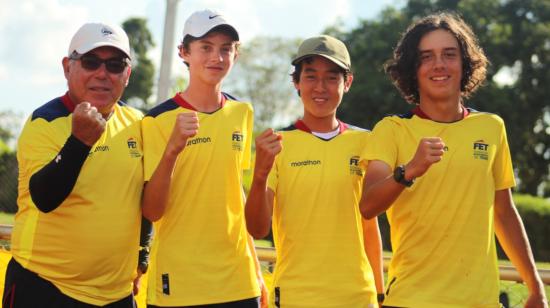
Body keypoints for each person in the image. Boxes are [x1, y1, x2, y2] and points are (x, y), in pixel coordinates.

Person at [360, 12, 548, 308]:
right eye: (426, 57)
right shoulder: (391, 130)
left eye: (449, 54)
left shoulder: (491, 127)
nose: (439, 65)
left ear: (464, 64)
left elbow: (504, 212)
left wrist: (535, 286)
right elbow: (368, 205)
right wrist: (408, 171)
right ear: (413, 68)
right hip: (411, 300)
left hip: (481, 301)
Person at [3, 22, 147, 307]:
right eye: (91, 62)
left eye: (115, 65)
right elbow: (44, 197)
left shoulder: (138, 123)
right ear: (68, 67)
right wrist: (79, 143)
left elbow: (144, 197)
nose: (103, 74)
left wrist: (143, 255)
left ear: (127, 74)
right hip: (45, 287)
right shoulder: (44, 122)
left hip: (115, 296)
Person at [245, 35, 384, 308]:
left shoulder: (367, 142)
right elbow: (257, 228)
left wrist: (379, 294)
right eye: (310, 76)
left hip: (358, 297)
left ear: (348, 82)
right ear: (296, 82)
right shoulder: (277, 145)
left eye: (332, 77)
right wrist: (260, 175)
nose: (320, 87)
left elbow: (370, 226)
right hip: (296, 296)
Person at [141, 9, 266, 308]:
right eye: (206, 47)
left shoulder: (242, 113)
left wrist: (256, 272)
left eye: (226, 49)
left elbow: (234, 194)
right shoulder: (156, 120)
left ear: (236, 54)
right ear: (184, 52)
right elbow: (151, 210)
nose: (217, 57)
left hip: (239, 281)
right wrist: (172, 149)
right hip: (180, 282)